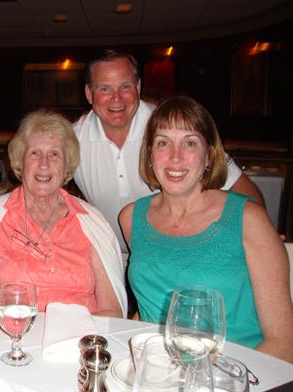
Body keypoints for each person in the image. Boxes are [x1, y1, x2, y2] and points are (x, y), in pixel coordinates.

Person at [119, 96, 293, 363]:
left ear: (209, 155)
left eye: (190, 143)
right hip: (156, 372)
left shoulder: (249, 219)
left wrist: (225, 379)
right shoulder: (132, 218)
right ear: (150, 154)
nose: (175, 156)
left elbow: (284, 343)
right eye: (163, 143)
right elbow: (147, 310)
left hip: (239, 373)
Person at [74, 50, 263, 251]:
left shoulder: (171, 125)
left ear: (138, 87)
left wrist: (259, 235)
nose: (117, 99)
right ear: (89, 93)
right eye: (105, 89)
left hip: (180, 254)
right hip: (109, 256)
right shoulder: (72, 139)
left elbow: (240, 187)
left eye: (125, 86)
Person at [0, 111, 127, 317]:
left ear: (67, 166)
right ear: (20, 163)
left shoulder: (92, 222)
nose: (44, 164)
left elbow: (112, 311)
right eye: (34, 153)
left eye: (54, 154)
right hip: (7, 334)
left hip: (79, 335)